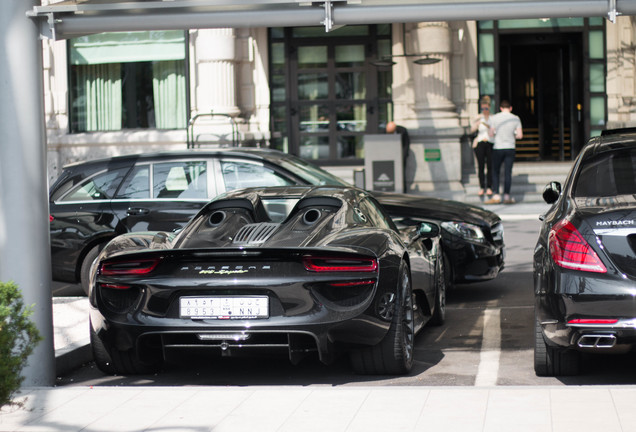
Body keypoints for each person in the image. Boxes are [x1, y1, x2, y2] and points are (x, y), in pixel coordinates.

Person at [485, 100, 523, 204]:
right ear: (510, 108)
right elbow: (520, 135)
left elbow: (491, 133)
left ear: (501, 108)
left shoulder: (495, 118)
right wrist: (513, 135)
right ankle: (506, 196)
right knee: (507, 172)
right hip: (510, 147)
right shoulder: (515, 118)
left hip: (498, 147)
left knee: (495, 171)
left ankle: (496, 195)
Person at [470, 96, 494, 197]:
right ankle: (481, 187)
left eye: (486, 108)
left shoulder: (492, 118)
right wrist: (477, 123)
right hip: (480, 143)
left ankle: (489, 187)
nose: (484, 110)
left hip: (490, 143)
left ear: (489, 107)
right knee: (480, 166)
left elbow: (494, 131)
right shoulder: (478, 117)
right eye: (483, 108)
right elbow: (471, 130)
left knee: (490, 166)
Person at [386, 121, 410, 192]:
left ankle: (403, 191)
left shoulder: (402, 131)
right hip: (389, 157)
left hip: (400, 157)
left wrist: (402, 158)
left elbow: (406, 145)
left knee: (401, 175)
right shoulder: (383, 132)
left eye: (391, 132)